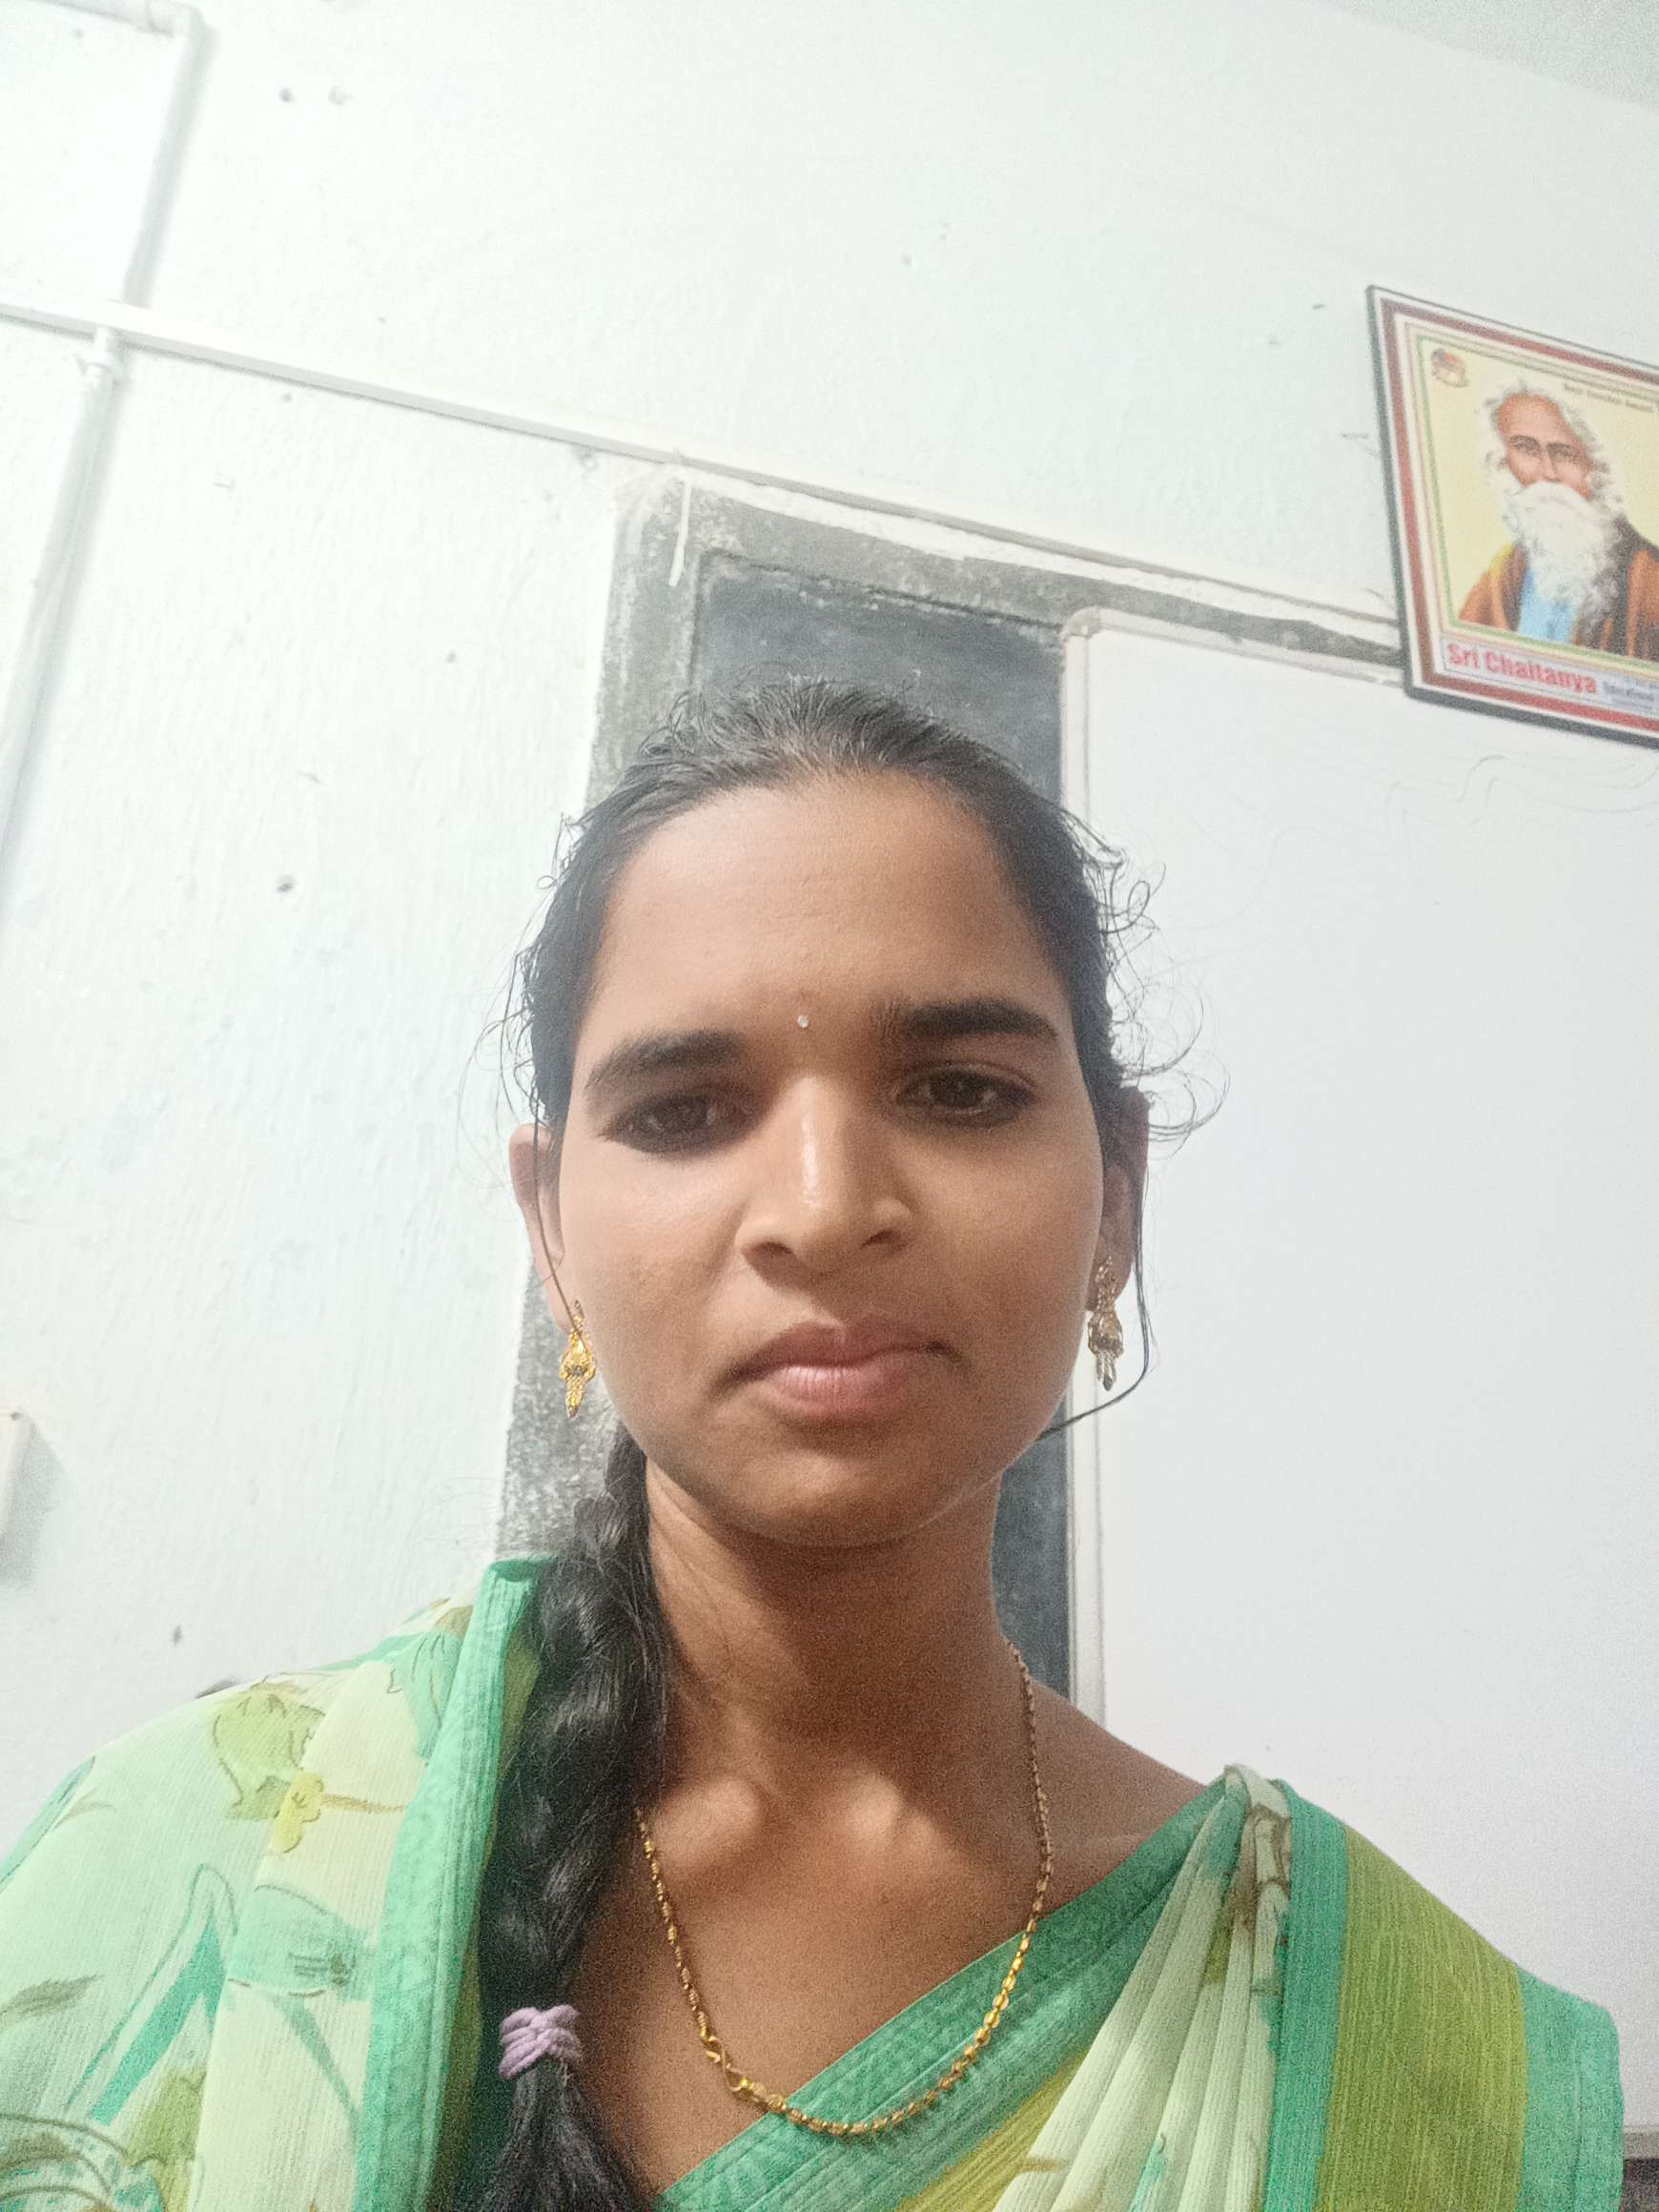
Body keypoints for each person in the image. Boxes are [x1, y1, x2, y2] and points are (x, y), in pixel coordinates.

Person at [0, 683, 1624, 2211]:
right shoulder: (182, 1868)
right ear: (553, 1231)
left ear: (1116, 1197)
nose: (827, 1210)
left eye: (960, 1090)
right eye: (687, 1111)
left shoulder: (1406, 2048)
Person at [1460, 377, 1659, 659]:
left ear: (1595, 469)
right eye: (1526, 449)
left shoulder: (1649, 579)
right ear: (1502, 462)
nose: (1549, 473)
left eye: (1565, 454)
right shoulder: (1505, 570)